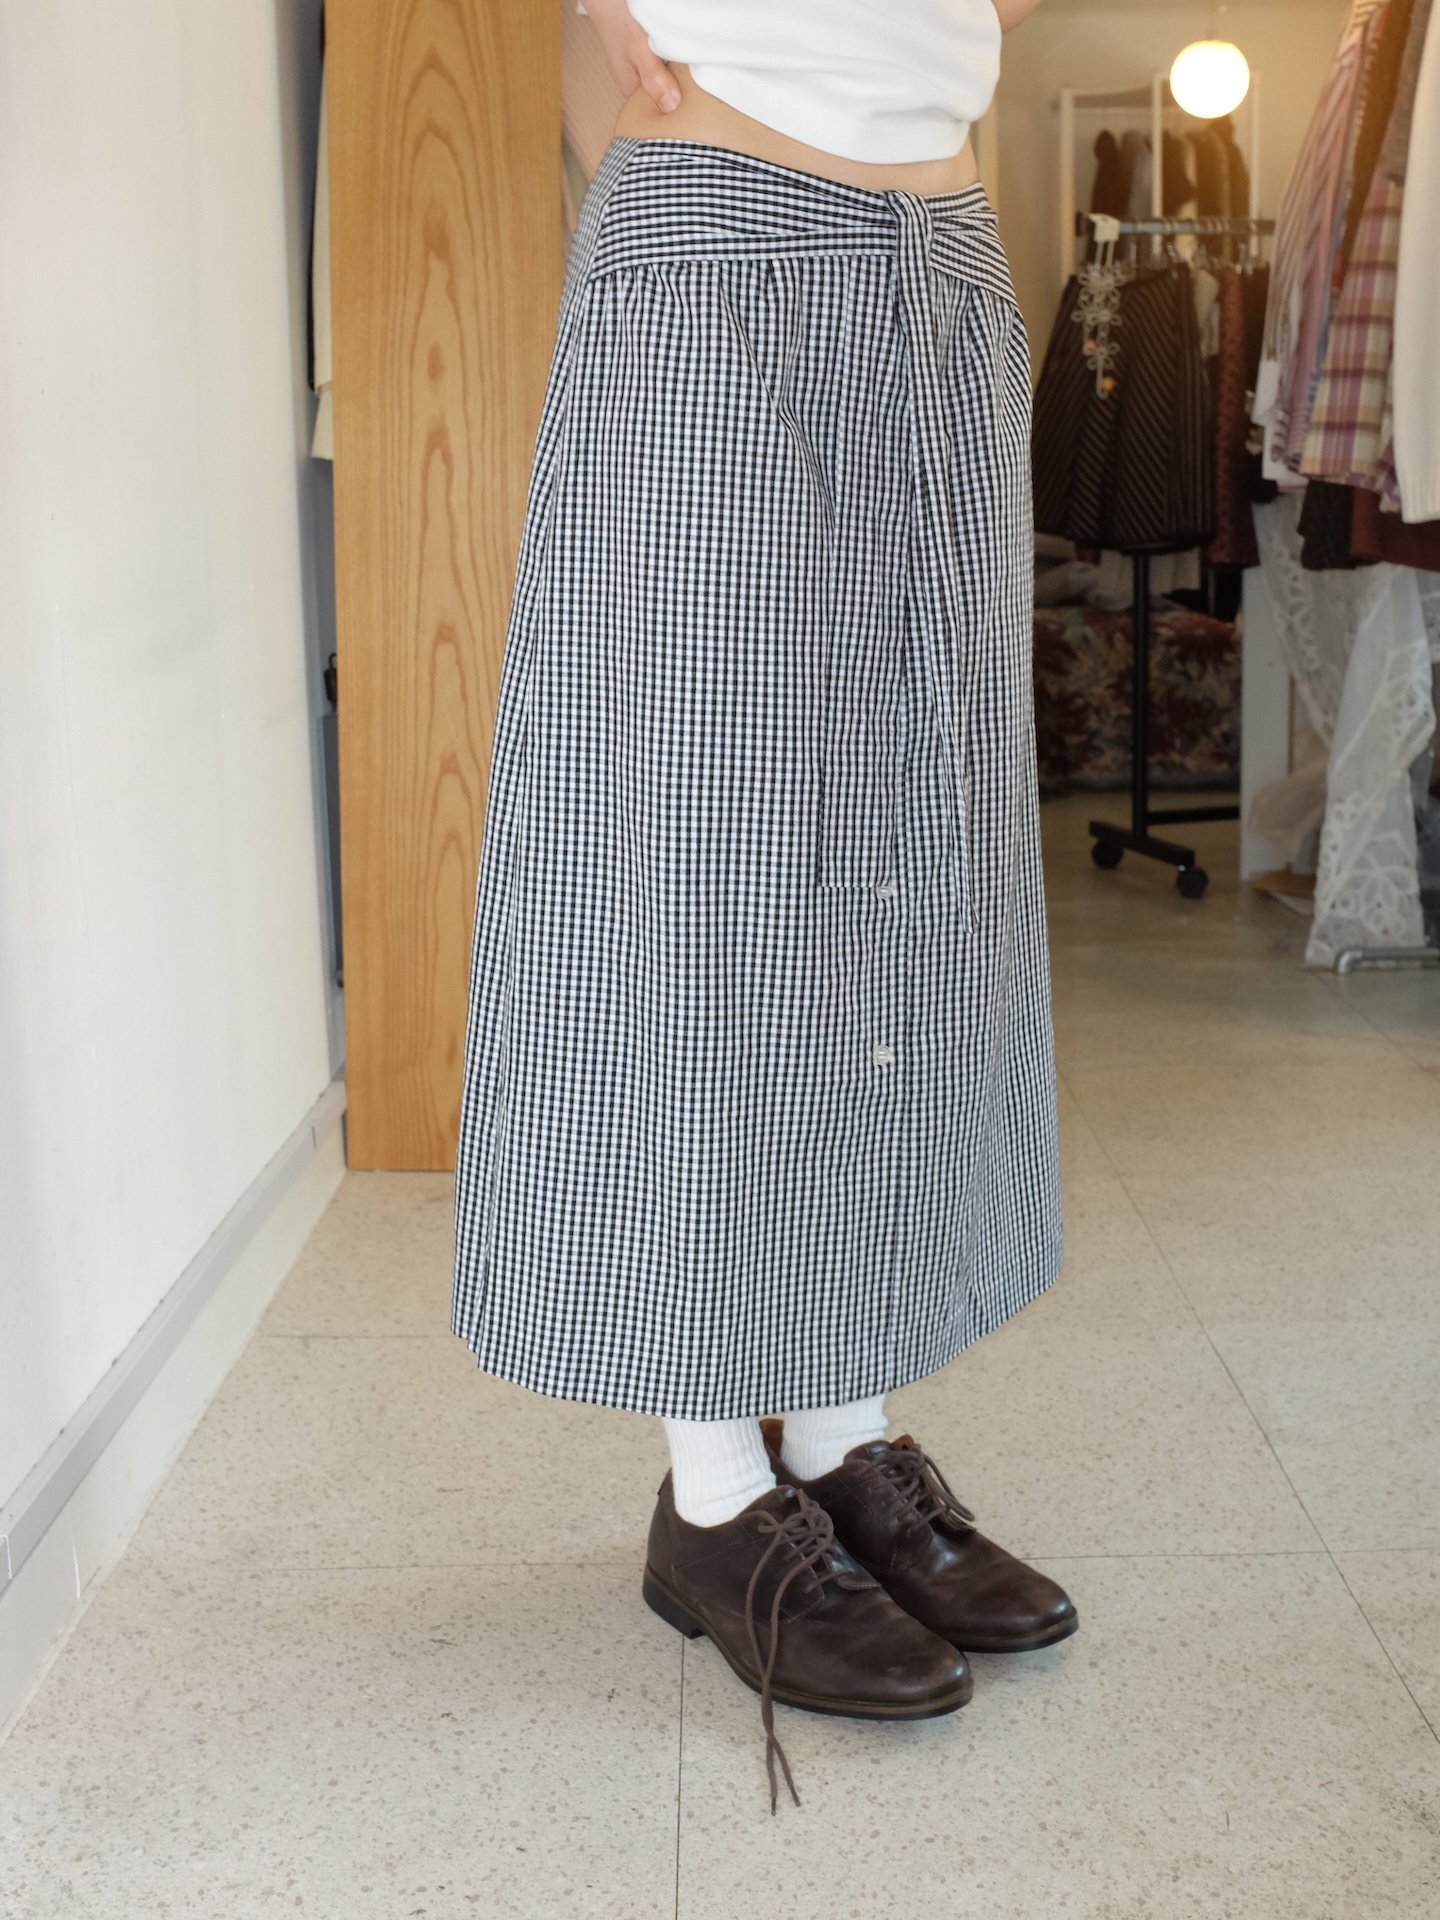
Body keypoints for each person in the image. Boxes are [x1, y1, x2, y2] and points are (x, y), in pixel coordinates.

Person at [451, 0, 1074, 1811]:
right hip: (722, 234)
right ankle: (716, 1489)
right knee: (705, 868)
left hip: (941, 264)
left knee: (914, 871)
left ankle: (843, 1434)